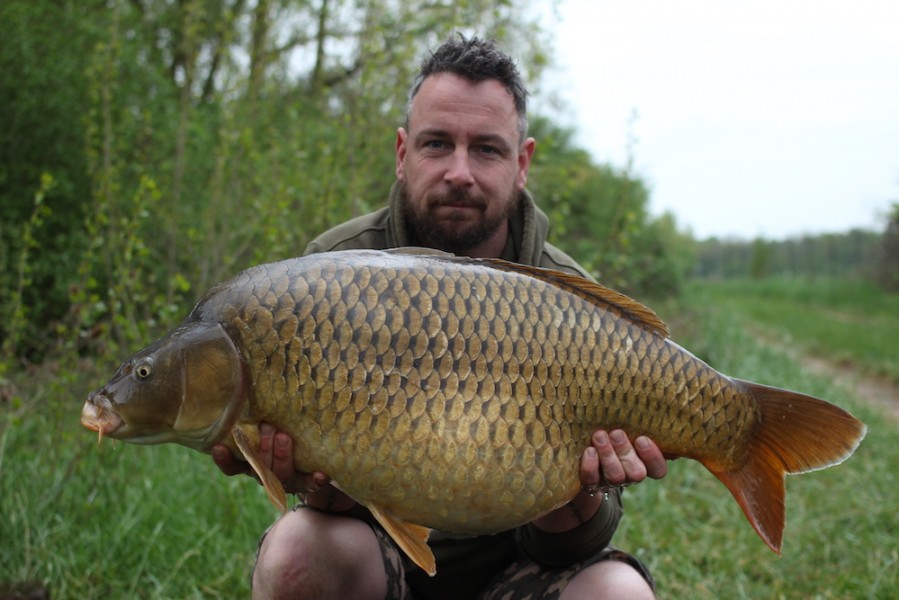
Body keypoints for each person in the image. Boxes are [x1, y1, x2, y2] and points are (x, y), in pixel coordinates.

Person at [213, 34, 668, 599]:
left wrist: (582, 492)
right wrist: (314, 480)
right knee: (296, 553)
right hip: (375, 564)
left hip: (512, 572)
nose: (459, 172)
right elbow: (323, 498)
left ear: (521, 163)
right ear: (403, 153)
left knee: (618, 593)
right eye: (437, 144)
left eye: (486, 149)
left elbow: (573, 547)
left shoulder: (569, 301)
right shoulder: (328, 273)